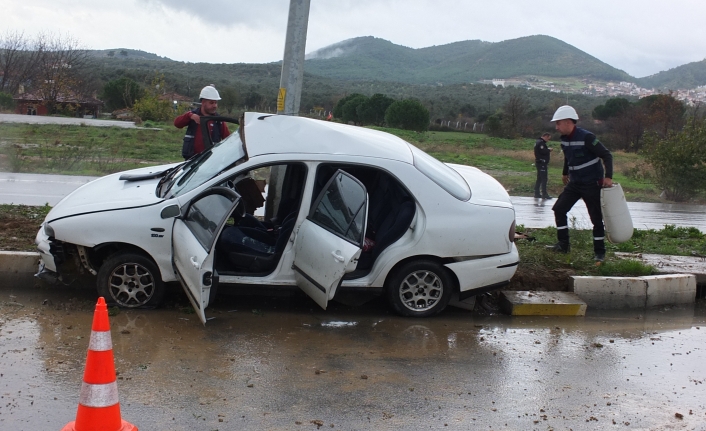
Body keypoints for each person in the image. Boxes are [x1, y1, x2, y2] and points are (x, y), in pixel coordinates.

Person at [548, 105, 613, 262]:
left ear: (568, 122)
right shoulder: (564, 140)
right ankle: (563, 245)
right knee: (559, 209)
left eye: (558, 123)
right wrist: (565, 172)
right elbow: (567, 157)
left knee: (596, 219)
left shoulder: (587, 137)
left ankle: (600, 253)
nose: (556, 127)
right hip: (575, 183)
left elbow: (607, 155)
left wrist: (608, 177)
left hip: (591, 183)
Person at [174, 85, 231, 160]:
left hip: (210, 161)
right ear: (203, 102)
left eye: (216, 103)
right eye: (211, 103)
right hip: (191, 161)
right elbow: (177, 123)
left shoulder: (219, 121)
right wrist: (189, 116)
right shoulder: (191, 116)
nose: (215, 106)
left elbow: (229, 141)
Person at [534, 132, 553, 199]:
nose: (548, 140)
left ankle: (537, 193)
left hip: (539, 162)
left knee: (539, 178)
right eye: (548, 138)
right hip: (541, 163)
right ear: (545, 136)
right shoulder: (541, 143)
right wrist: (549, 150)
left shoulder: (538, 141)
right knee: (544, 178)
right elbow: (542, 151)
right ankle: (544, 194)